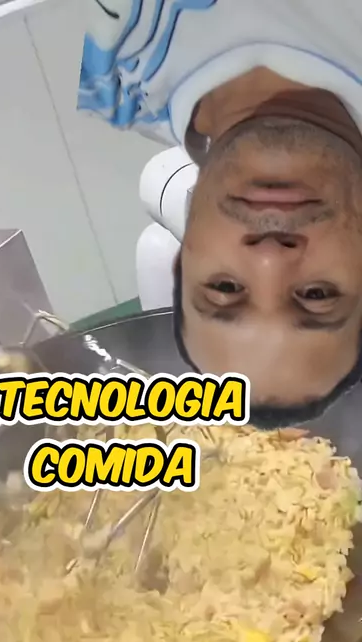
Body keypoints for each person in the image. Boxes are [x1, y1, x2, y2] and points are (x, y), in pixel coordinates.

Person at [78, 0, 362, 426]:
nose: (269, 256)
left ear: (184, 252)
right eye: (318, 295)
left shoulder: (109, 81)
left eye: (225, 287)